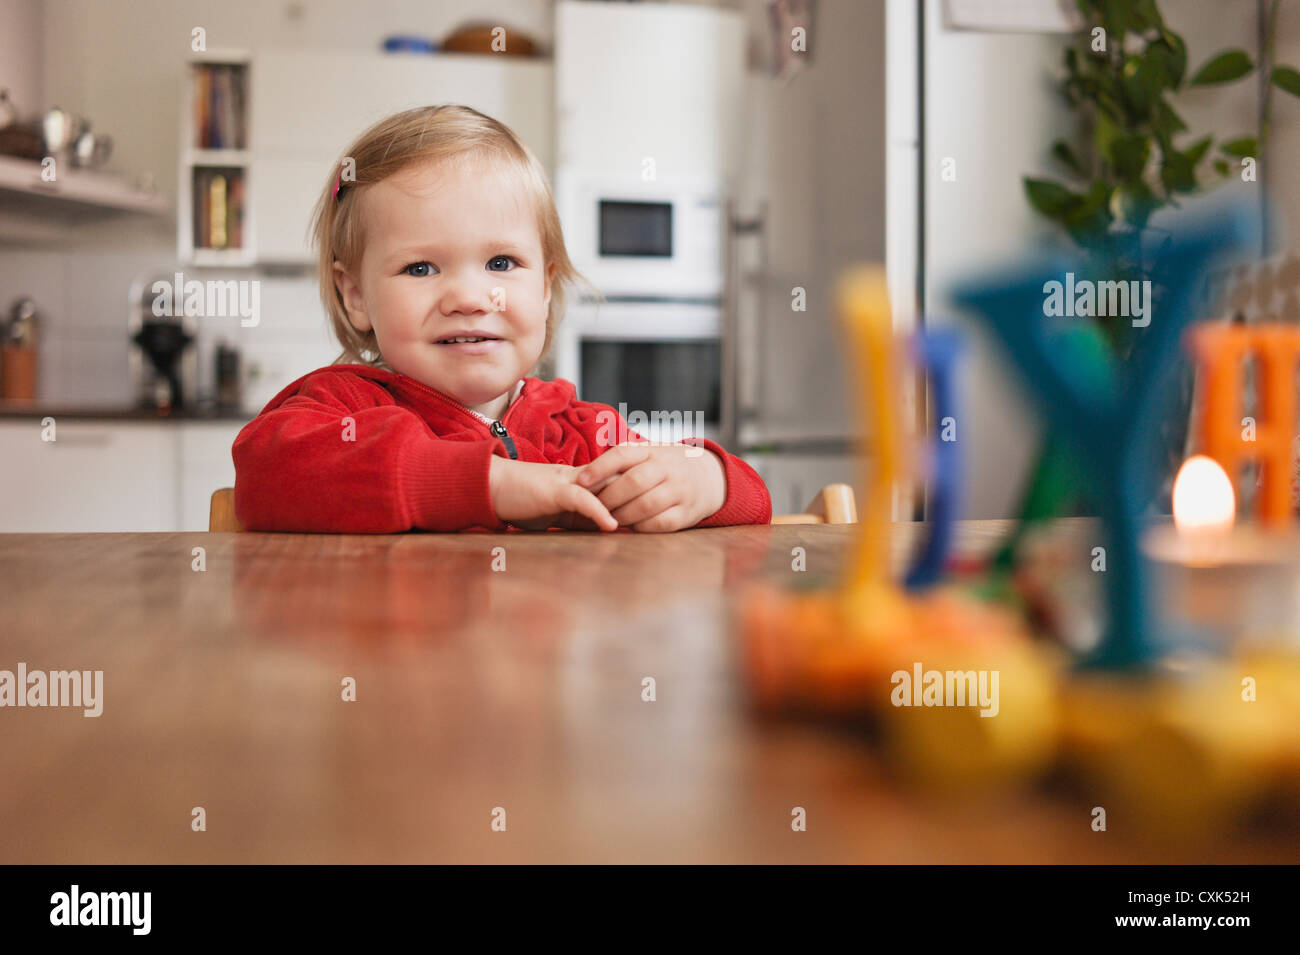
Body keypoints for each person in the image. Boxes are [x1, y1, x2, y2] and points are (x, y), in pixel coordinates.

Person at [232, 105, 771, 533]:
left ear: (543, 286)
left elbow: (754, 500)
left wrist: (706, 479)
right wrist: (490, 484)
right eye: (420, 267)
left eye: (500, 263)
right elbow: (266, 474)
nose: (470, 297)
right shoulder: (341, 410)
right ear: (354, 296)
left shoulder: (581, 433)